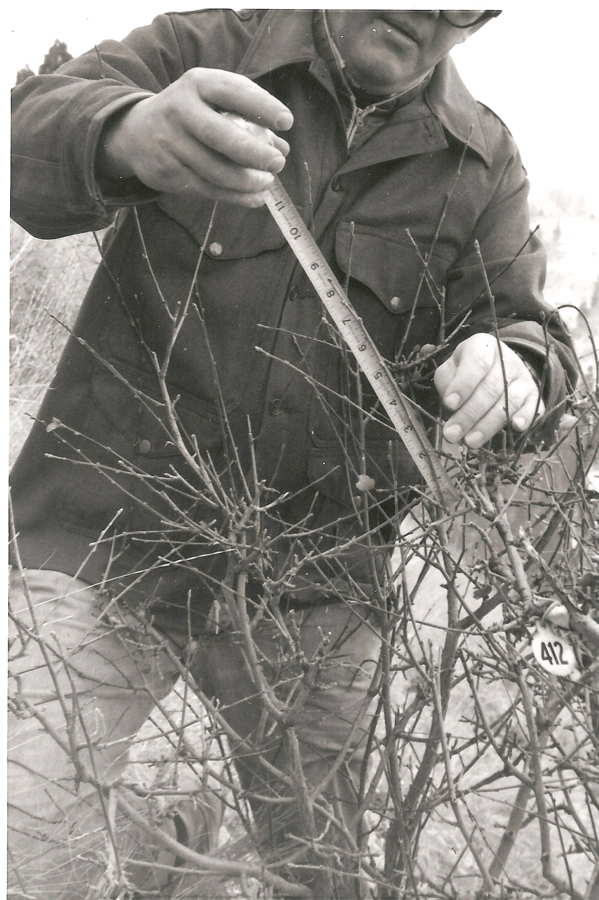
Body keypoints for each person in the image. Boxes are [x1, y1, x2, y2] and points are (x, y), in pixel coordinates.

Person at [9, 10, 577, 900]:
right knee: (28, 849)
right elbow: (27, 135)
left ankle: (175, 842)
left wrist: (516, 362)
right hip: (109, 533)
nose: (430, 10)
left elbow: (527, 325)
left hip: (317, 586)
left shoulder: (481, 164)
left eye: (461, 5)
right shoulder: (206, 48)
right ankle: (162, 841)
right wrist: (122, 133)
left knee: (321, 874)